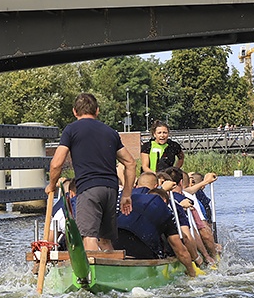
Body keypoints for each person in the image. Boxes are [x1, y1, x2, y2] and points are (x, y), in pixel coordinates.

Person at [46, 93, 136, 252]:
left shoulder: (71, 129)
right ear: (97, 111)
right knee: (105, 241)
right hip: (111, 190)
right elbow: (130, 162)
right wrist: (127, 194)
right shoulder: (110, 132)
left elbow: (56, 164)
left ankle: (92, 276)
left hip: (89, 189)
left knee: (88, 236)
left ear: (75, 112)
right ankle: (109, 273)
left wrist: (52, 185)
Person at [114, 185, 194, 273]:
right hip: (143, 248)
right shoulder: (166, 213)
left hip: (117, 240)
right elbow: (179, 250)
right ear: (164, 201)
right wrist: (191, 272)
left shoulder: (133, 199)